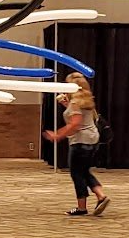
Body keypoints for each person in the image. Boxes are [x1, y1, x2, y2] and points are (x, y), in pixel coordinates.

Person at [43, 73, 110, 217]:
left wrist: (57, 135)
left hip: (80, 141)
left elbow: (75, 124)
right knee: (84, 170)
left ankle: (83, 207)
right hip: (92, 140)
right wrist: (65, 104)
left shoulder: (75, 103)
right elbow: (82, 117)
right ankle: (100, 196)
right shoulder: (87, 101)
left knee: (77, 173)